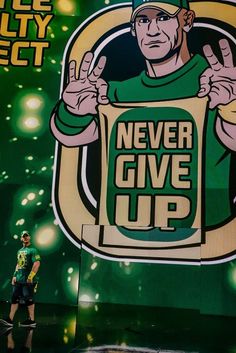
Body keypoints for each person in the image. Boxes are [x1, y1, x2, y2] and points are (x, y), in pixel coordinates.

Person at [50, 0, 236, 228]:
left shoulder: (217, 85)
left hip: (203, 243)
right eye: (143, 20)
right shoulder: (118, 92)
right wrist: (73, 110)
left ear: (186, 20)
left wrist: (231, 105)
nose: (152, 30)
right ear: (133, 29)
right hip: (124, 241)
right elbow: (71, 137)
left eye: (164, 18)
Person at [0, 231, 41, 328]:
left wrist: (30, 276)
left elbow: (37, 263)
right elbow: (18, 264)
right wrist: (14, 275)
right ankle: (10, 320)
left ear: (29, 237)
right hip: (18, 279)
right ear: (21, 238)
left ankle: (32, 320)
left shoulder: (33, 250)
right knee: (14, 298)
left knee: (28, 299)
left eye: (27, 236)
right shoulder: (19, 251)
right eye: (23, 236)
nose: (25, 238)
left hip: (27, 280)